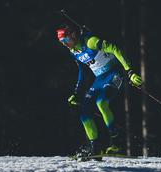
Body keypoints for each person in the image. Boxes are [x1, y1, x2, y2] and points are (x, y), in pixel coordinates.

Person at [56, 24, 142, 157]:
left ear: (73, 35)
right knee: (84, 112)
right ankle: (95, 148)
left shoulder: (91, 42)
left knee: (101, 102)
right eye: (61, 42)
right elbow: (83, 72)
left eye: (65, 40)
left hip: (114, 73)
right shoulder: (73, 51)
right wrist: (77, 94)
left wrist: (130, 71)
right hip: (99, 79)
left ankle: (116, 144)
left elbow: (114, 49)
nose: (64, 44)